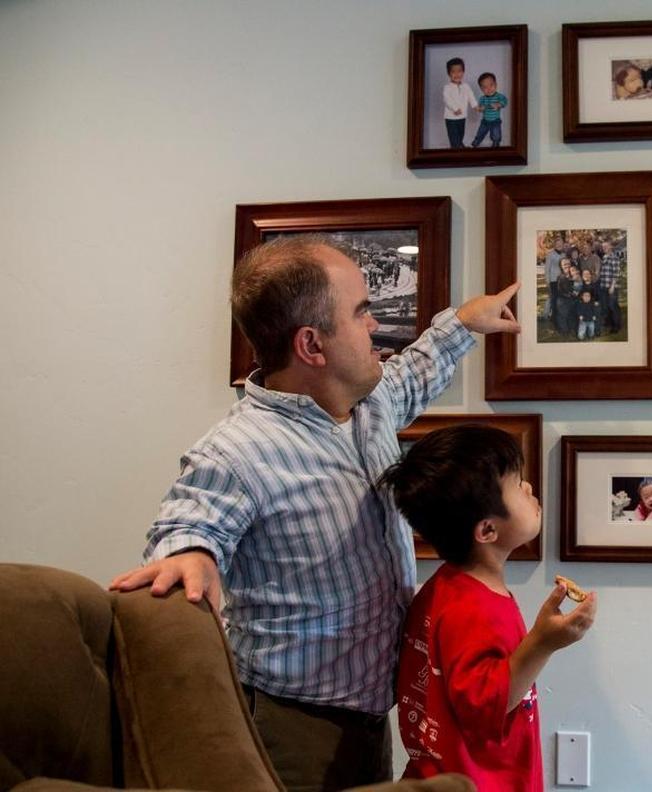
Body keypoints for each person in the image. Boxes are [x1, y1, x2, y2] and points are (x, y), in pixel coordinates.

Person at [109, 235, 521, 790]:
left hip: (374, 718)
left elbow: (414, 372)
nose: (375, 325)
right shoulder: (236, 451)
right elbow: (189, 523)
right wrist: (192, 555)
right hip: (292, 729)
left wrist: (466, 323)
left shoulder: (368, 403)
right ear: (312, 345)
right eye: (361, 312)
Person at [378, 425, 595, 791]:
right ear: (487, 531)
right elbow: (483, 707)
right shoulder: (473, 608)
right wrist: (543, 643)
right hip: (480, 782)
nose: (529, 489)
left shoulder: (444, 589)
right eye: (518, 485)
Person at [442, 57, 478, 149]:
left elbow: (471, 96)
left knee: (461, 134)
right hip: (451, 117)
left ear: (463, 72)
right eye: (453, 72)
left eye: (459, 71)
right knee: (454, 136)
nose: (457, 74)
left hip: (462, 116)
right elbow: (447, 99)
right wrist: (455, 109)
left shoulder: (466, 86)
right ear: (449, 73)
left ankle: (460, 146)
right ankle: (456, 149)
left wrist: (475, 106)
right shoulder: (447, 87)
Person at [470, 72, 507, 148]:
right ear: (481, 89)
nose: (489, 89)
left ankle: (496, 143)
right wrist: (480, 109)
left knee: (496, 134)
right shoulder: (482, 98)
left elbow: (505, 102)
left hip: (495, 121)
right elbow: (479, 108)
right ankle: (476, 142)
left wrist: (499, 104)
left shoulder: (499, 96)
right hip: (485, 121)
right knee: (481, 132)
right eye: (485, 87)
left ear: (496, 85)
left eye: (491, 85)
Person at [598, 240, 623, 334]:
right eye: (603, 247)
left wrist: (612, 286)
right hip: (604, 285)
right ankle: (609, 323)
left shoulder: (614, 258)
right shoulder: (604, 257)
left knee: (613, 306)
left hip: (611, 286)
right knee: (606, 306)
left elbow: (616, 273)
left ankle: (616, 326)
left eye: (606, 246)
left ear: (611, 247)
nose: (604, 248)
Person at [543, 238, 565, 320]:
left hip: (561, 281)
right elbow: (547, 269)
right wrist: (547, 281)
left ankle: (557, 314)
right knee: (553, 298)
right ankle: (549, 315)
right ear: (555, 245)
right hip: (553, 280)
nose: (559, 245)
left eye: (561, 244)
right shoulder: (550, 254)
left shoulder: (564, 255)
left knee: (559, 298)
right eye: (557, 244)